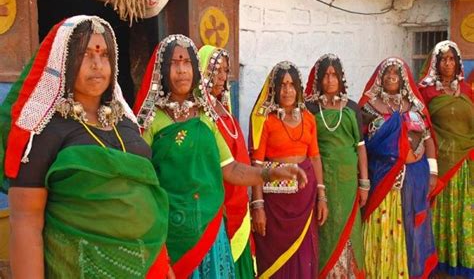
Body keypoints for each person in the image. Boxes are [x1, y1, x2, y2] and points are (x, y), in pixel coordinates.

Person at [0, 15, 171, 278]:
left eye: (104, 56)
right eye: (86, 54)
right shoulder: (43, 130)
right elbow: (25, 223)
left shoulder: (126, 124)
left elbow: (144, 201)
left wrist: (165, 263)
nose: (97, 65)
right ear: (64, 61)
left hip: (149, 266)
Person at [133, 35, 307, 279]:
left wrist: (269, 173)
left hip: (211, 233)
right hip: (170, 235)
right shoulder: (150, 121)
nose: (182, 70)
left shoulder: (206, 117)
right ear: (163, 68)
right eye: (174, 63)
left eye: (187, 63)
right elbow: (140, 182)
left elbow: (231, 169)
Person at [359, 57, 438, 278]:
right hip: (382, 178)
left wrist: (432, 172)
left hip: (414, 178)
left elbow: (429, 139)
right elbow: (359, 145)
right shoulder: (367, 108)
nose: (392, 75)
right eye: (387, 72)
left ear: (404, 78)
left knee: (412, 226)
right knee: (381, 224)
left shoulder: (415, 106)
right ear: (380, 78)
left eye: (396, 72)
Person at [249, 61, 328, 278]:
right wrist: (258, 206)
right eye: (282, 85)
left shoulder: (309, 119)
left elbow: (315, 158)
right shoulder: (264, 120)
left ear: (299, 89)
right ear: (274, 89)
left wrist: (322, 197)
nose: (287, 90)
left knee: (303, 256)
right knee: (274, 260)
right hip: (275, 207)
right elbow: (256, 164)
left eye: (292, 84)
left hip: (305, 199)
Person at [305, 54, 368, 278]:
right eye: (326, 75)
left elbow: (360, 147)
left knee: (349, 228)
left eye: (334, 75)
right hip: (323, 180)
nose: (330, 80)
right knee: (325, 226)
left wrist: (364, 184)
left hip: (348, 182)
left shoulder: (351, 108)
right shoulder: (310, 109)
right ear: (319, 79)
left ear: (341, 78)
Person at [198, 45, 254, 278]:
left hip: (238, 197)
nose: (222, 76)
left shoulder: (223, 107)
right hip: (220, 202)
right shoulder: (202, 111)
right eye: (216, 70)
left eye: (225, 70)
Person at [418, 40, 473, 277]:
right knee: (438, 216)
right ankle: (438, 265)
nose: (448, 63)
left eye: (452, 59)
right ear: (435, 62)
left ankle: (463, 263)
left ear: (458, 62)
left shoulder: (468, 91)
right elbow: (422, 127)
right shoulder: (426, 92)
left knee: (464, 215)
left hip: (464, 167)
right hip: (439, 167)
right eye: (443, 59)